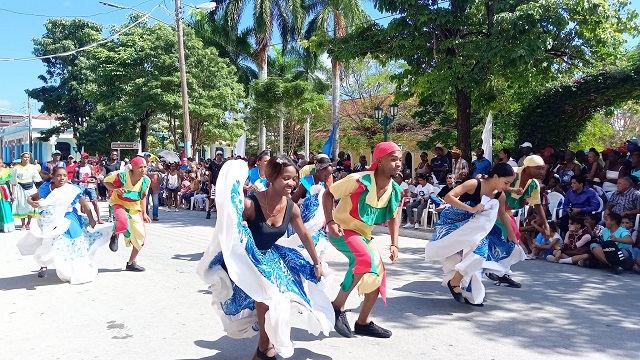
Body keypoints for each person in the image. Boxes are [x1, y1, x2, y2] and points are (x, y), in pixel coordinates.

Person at [196, 157, 332, 360]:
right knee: (267, 298)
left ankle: (264, 348)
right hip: (248, 261)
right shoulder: (250, 204)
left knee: (274, 300)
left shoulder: (291, 208)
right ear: (271, 177)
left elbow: (304, 234)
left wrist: (317, 262)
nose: (292, 183)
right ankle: (264, 347)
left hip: (270, 260)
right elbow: (231, 229)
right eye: (286, 178)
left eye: (294, 179)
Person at [323, 142, 402, 338]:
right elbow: (328, 194)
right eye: (393, 159)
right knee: (363, 260)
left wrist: (394, 243)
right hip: (343, 230)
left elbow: (393, 215)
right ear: (380, 161)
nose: (398, 164)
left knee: (377, 275)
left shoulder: (394, 189)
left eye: (400, 159)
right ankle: (336, 307)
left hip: (363, 236)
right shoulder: (358, 180)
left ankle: (363, 322)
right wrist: (331, 221)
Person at [425, 162, 517, 306]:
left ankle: (464, 289)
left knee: (479, 255)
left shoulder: (500, 195)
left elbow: (503, 214)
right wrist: (471, 209)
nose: (507, 187)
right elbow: (449, 197)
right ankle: (461, 286)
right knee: (456, 259)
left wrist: (512, 235)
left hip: (478, 229)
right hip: (456, 223)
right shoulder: (474, 184)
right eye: (506, 182)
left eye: (509, 184)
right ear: (496, 177)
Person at [16, 167, 111, 282]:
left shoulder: (72, 189)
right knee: (47, 240)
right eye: (59, 175)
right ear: (53, 176)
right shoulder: (46, 188)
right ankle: (43, 264)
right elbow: (31, 198)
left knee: (72, 240)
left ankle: (74, 268)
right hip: (49, 219)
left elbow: (85, 205)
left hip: (69, 216)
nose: (62, 178)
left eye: (65, 176)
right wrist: (32, 202)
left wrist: (92, 219)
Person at [103, 156, 151, 272]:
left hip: (134, 208)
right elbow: (106, 181)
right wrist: (115, 189)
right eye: (140, 167)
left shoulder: (146, 181)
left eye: (145, 167)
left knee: (141, 238)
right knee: (123, 220)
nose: (143, 169)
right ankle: (115, 234)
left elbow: (143, 198)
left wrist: (144, 213)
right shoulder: (122, 176)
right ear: (133, 168)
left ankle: (131, 263)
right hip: (118, 203)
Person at [11, 152, 42, 231]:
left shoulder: (32, 167)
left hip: (31, 187)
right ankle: (23, 224)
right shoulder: (16, 168)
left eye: (28, 157)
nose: (26, 159)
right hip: (20, 187)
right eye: (25, 157)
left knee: (31, 205)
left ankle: (29, 222)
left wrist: (39, 191)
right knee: (22, 205)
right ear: (21, 158)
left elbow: (37, 179)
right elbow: (13, 181)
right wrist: (13, 193)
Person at [73, 153, 104, 224]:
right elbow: (74, 179)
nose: (85, 159)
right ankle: (86, 218)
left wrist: (94, 179)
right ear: (81, 158)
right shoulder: (77, 168)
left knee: (94, 202)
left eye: (86, 158)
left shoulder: (90, 167)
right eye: (84, 158)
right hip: (81, 187)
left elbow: (94, 176)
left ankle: (99, 218)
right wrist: (81, 181)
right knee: (83, 204)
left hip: (90, 187)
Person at [206, 150, 226, 219]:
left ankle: (219, 213)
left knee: (220, 198)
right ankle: (209, 211)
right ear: (216, 155)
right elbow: (210, 174)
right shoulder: (212, 164)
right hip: (214, 183)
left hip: (221, 183)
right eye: (218, 155)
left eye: (221, 155)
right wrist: (209, 183)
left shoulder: (224, 163)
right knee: (212, 197)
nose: (219, 156)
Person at [0, 160, 14, 232]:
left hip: (4, 190)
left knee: (6, 207)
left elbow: (11, 183)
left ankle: (7, 226)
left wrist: (12, 194)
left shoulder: (6, 171)